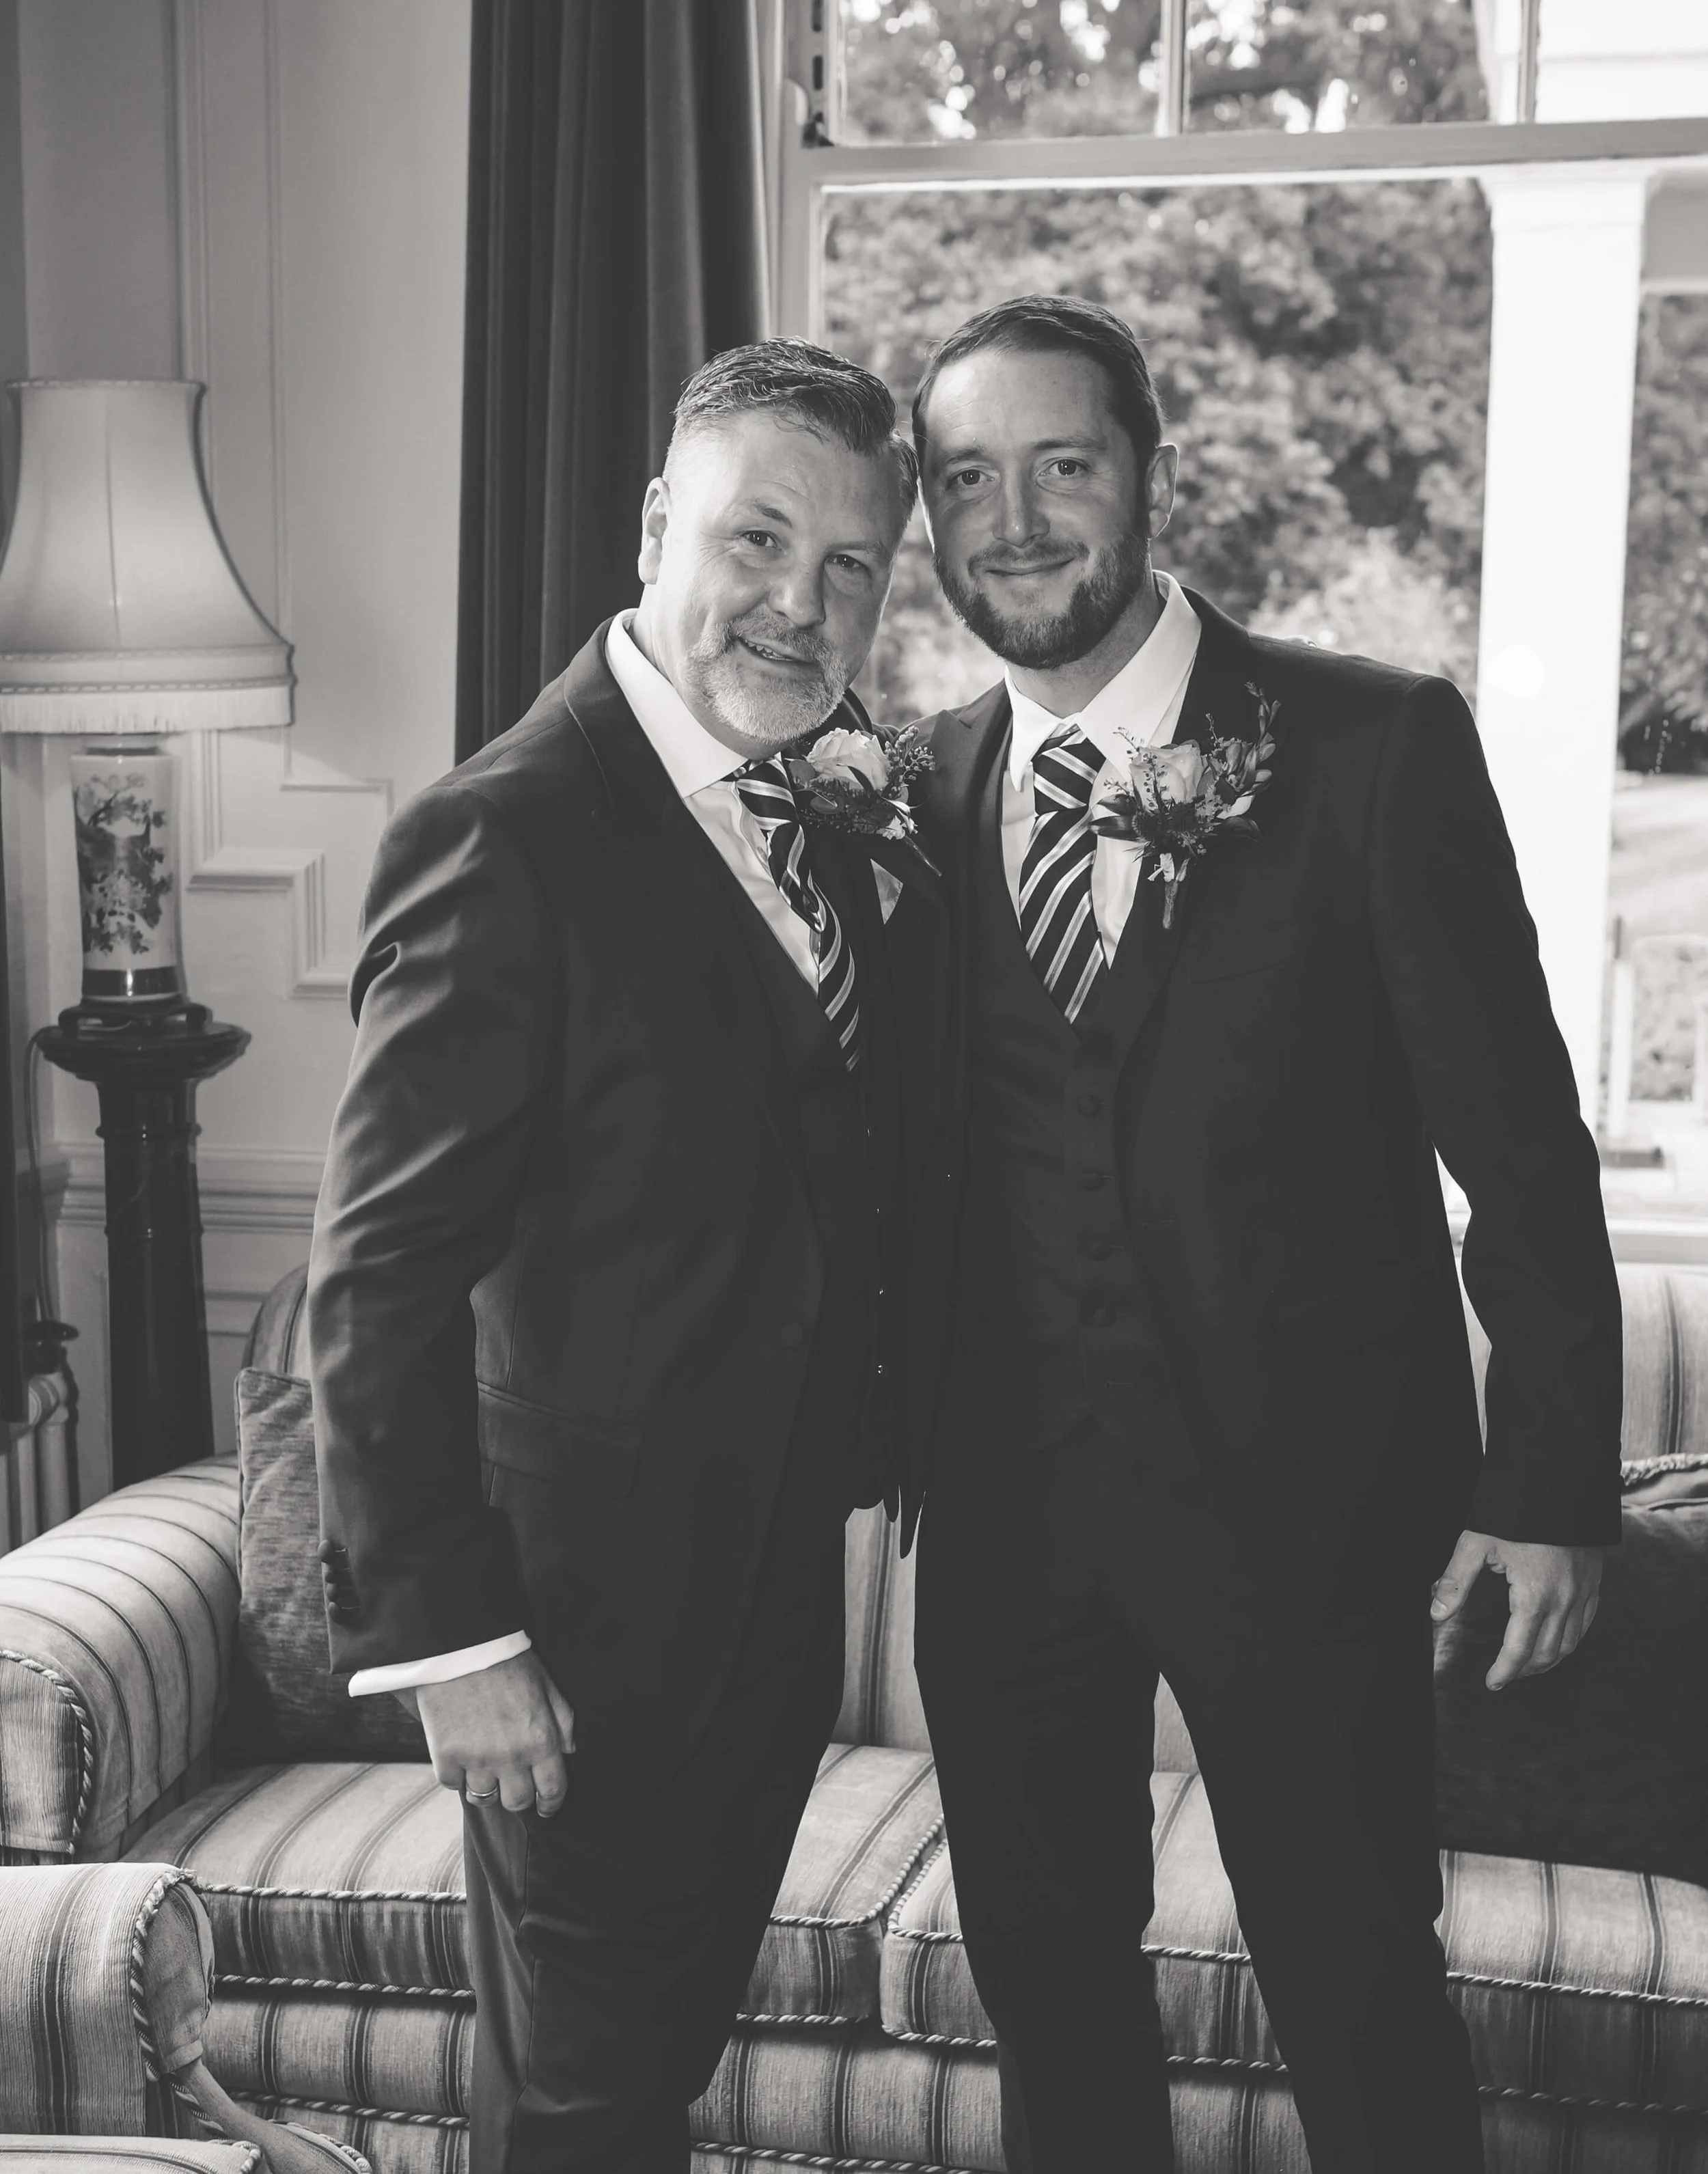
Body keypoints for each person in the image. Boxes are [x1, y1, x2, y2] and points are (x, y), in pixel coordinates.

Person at [900, 294, 1622, 2173]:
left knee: (1354, 1981)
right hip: (1001, 1525)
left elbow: (1520, 1145)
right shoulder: (916, 789)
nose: (1017, 519)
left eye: (1062, 463)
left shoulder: (1371, 746)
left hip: (1303, 1514)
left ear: (1150, 473)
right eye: (965, 478)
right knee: (1045, 1983)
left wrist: (1546, 1484)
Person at [308, 340, 943, 2173]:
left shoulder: (821, 802)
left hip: (766, 1589)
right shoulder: (504, 832)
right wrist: (453, 1642)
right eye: (754, 539)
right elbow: (376, 1280)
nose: (797, 604)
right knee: (586, 2091)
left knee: (640, 2067)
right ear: (657, 524)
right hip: (574, 1617)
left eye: (846, 571)